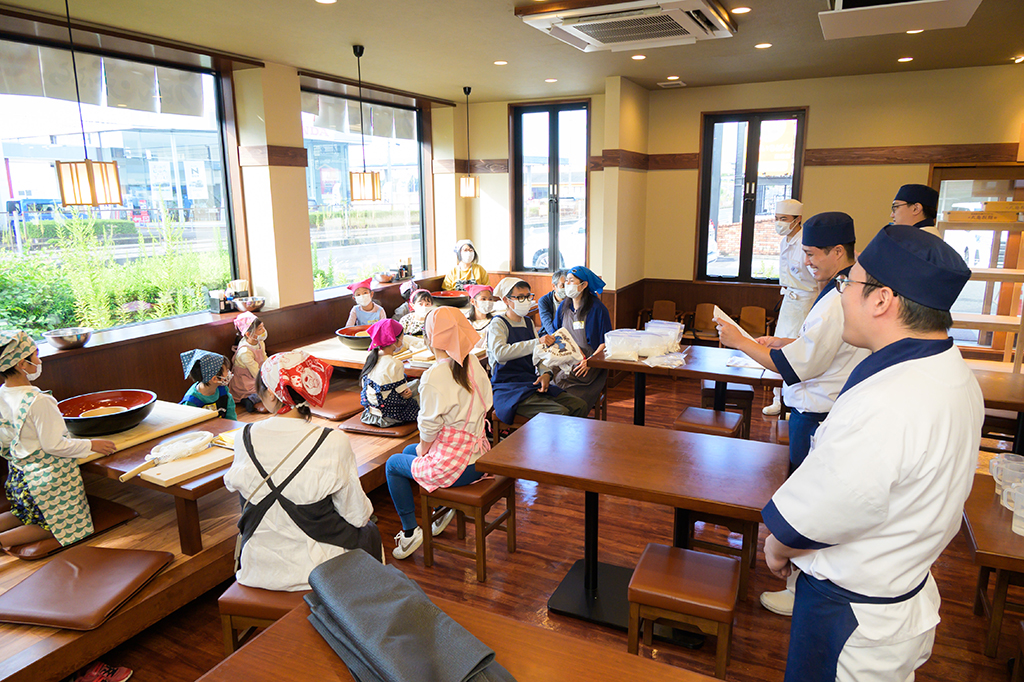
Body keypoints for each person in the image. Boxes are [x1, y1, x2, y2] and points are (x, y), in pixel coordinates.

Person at [762, 225, 979, 682]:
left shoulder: (893, 398)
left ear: (882, 300)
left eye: (848, 283)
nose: (841, 295)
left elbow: (834, 506)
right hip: (900, 593)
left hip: (852, 615)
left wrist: (777, 545)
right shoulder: (949, 371)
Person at [715, 212, 870, 617]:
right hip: (820, 405)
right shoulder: (843, 287)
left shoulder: (837, 298)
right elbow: (823, 346)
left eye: (812, 254)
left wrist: (741, 342)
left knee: (811, 502)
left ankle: (800, 587)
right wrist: (786, 341)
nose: (806, 262)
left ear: (839, 251)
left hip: (818, 412)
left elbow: (799, 366)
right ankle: (800, 582)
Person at [225, 350, 380, 591]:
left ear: (272, 394)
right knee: (369, 529)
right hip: (320, 571)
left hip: (257, 567)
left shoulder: (243, 437)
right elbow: (356, 515)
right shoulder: (332, 440)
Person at [385, 307, 493, 560]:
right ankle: (444, 507)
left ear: (430, 336)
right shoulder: (473, 362)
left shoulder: (435, 374)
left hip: (457, 467)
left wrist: (424, 450)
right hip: (479, 456)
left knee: (393, 464)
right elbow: (487, 404)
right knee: (408, 452)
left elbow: (429, 428)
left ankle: (411, 531)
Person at [0, 331, 116, 549]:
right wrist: (92, 444)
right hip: (44, 483)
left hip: (18, 476)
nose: (39, 361)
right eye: (35, 355)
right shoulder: (38, 400)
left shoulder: (3, 393)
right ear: (20, 364)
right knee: (52, 527)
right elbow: (54, 445)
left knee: (22, 513)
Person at [488, 277, 589, 428]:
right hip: (508, 388)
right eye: (520, 297)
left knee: (579, 405)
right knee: (559, 412)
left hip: (530, 382)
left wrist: (546, 374)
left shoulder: (528, 322)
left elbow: (540, 355)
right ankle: (549, 447)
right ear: (506, 300)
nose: (526, 301)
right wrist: (536, 342)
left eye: (528, 297)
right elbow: (500, 353)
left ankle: (565, 447)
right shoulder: (499, 324)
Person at [763, 199, 816, 416]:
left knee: (798, 350)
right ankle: (778, 399)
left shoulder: (807, 242)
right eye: (776, 219)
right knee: (778, 349)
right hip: (788, 300)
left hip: (805, 300)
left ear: (798, 220)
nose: (779, 223)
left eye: (783, 219)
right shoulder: (785, 241)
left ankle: (794, 402)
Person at [552, 266, 612, 412]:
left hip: (590, 361)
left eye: (571, 281)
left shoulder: (597, 309)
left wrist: (590, 361)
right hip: (567, 354)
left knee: (566, 378)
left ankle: (570, 415)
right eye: (566, 281)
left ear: (584, 285)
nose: (567, 284)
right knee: (547, 373)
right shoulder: (564, 307)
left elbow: (606, 342)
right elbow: (557, 332)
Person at [359, 319, 418, 428]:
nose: (402, 341)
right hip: (390, 416)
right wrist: (407, 393)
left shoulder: (371, 359)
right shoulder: (395, 364)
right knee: (420, 385)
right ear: (394, 340)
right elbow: (404, 393)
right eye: (402, 337)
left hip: (370, 414)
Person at [179, 349, 238, 420]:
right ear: (215, 379)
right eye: (226, 371)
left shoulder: (224, 392)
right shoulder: (191, 402)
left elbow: (232, 420)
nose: (229, 373)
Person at [228, 311, 267, 413]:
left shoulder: (260, 342)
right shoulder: (245, 351)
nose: (263, 330)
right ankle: (250, 400)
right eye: (259, 329)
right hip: (246, 381)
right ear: (249, 334)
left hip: (258, 374)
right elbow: (256, 373)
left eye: (263, 327)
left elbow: (264, 357)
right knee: (269, 390)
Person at [537, 269, 568, 336]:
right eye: (563, 285)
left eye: (568, 285)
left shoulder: (572, 298)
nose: (566, 288)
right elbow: (547, 323)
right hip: (550, 334)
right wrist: (557, 337)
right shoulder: (544, 301)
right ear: (554, 286)